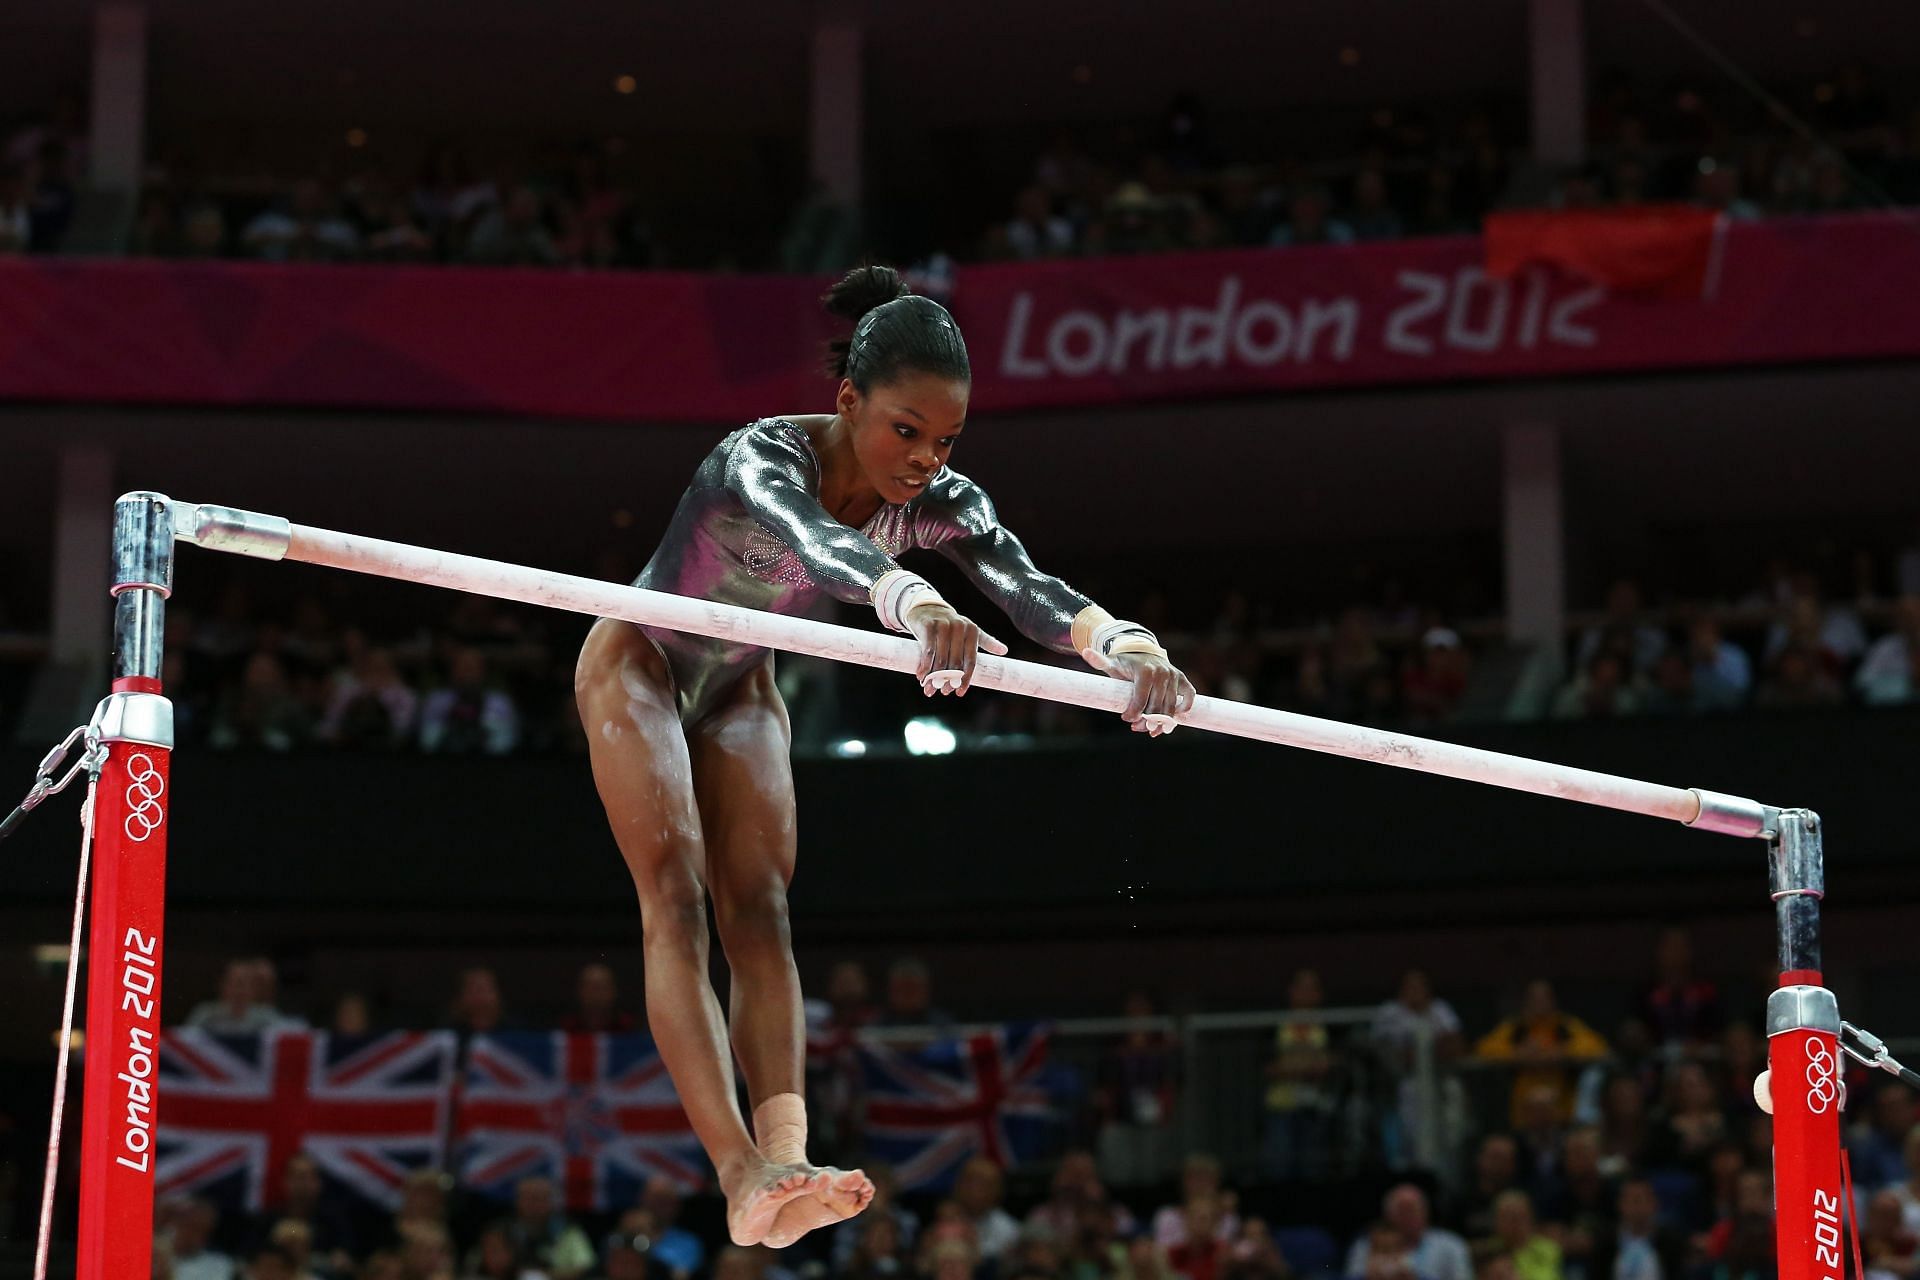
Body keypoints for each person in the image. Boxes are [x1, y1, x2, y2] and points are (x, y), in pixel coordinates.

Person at [574, 264, 1194, 1249]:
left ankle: (784, 1159)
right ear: (849, 400)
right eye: (904, 430)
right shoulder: (758, 458)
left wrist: (1127, 646)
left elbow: (1027, 585)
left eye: (944, 439)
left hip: (740, 681)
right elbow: (820, 546)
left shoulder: (941, 499)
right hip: (639, 660)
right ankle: (738, 1169)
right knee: (679, 898)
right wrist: (918, 603)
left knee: (762, 908)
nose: (922, 461)